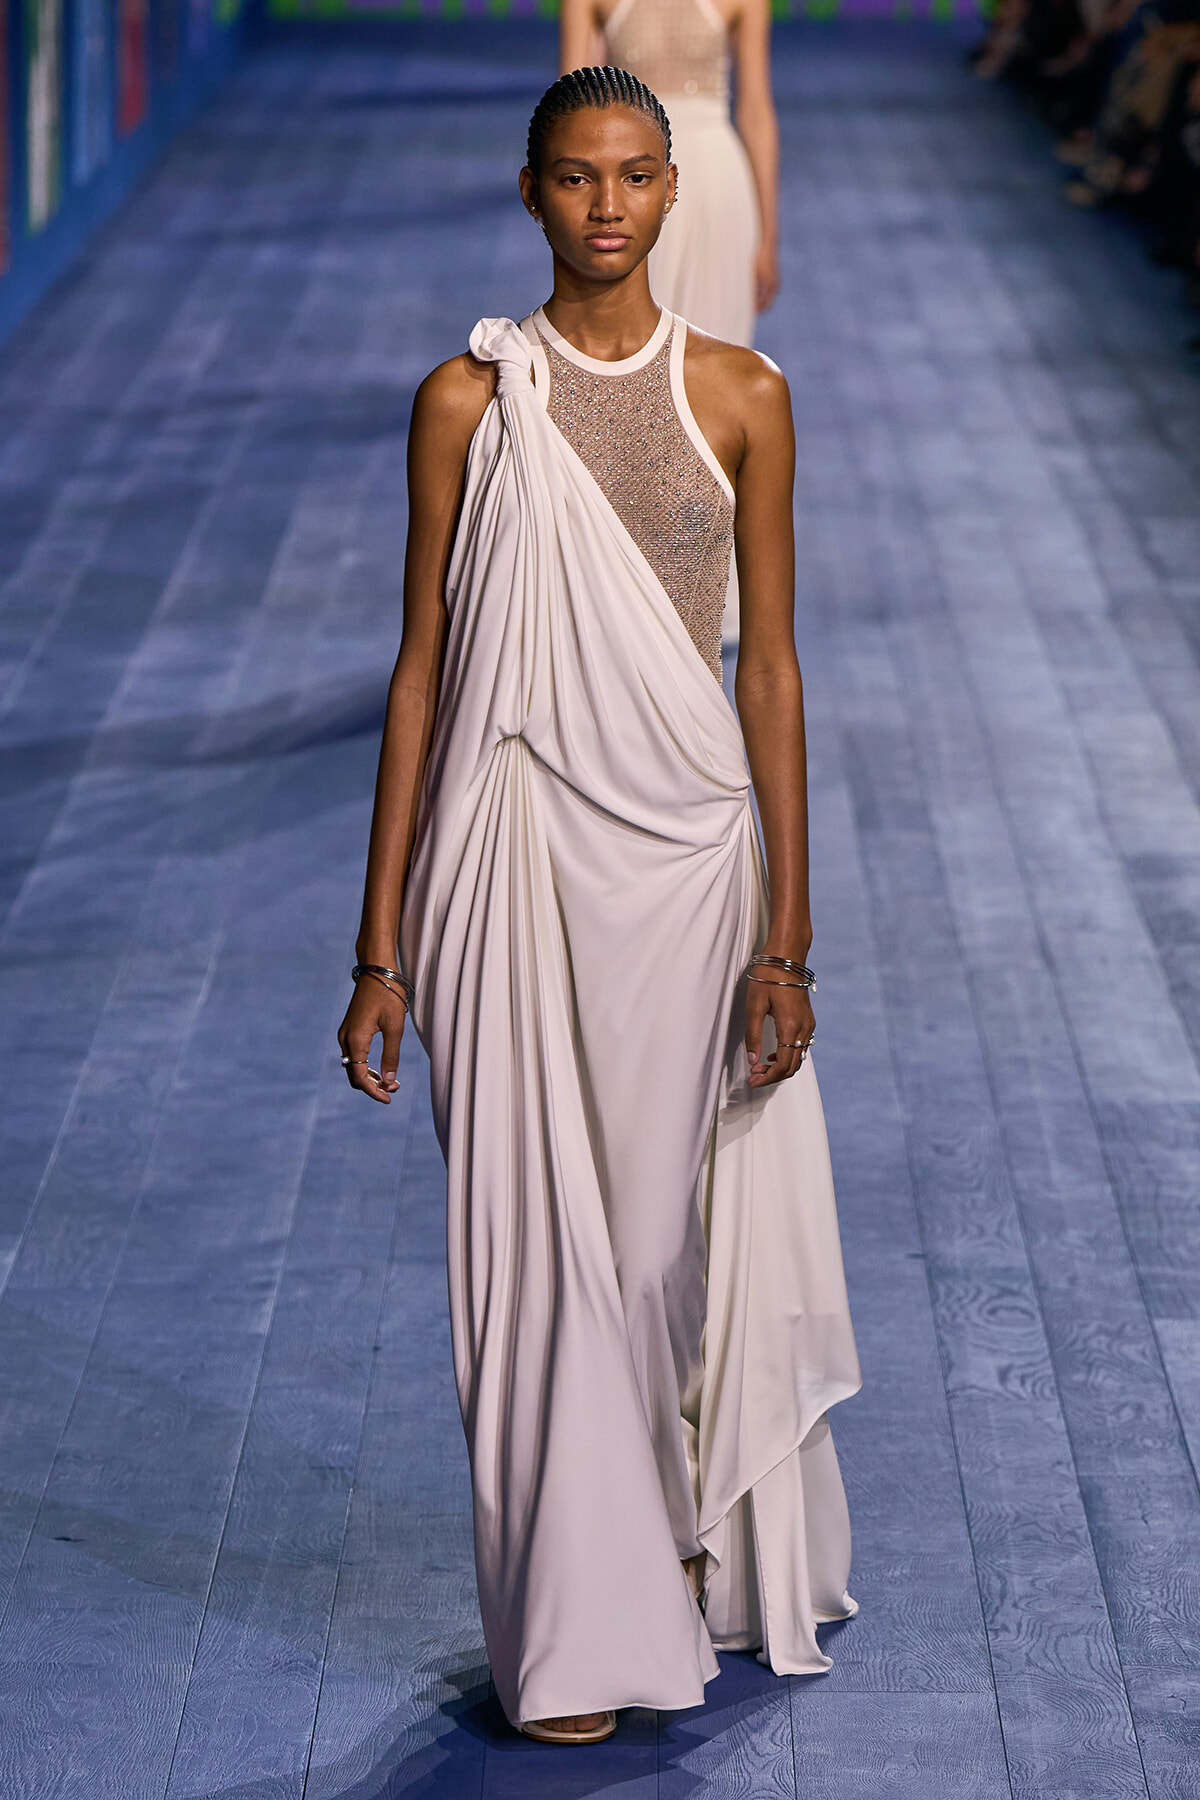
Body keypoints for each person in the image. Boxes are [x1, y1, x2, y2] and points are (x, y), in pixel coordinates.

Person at [337, 66, 860, 1747]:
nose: (610, 205)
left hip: (687, 866)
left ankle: (671, 1537)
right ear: (531, 193)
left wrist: (791, 939)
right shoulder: (466, 402)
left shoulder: (746, 396)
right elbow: (420, 673)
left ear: (673, 187)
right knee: (529, 1258)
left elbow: (771, 671)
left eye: (636, 174)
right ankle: (574, 1635)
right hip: (501, 856)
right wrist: (378, 947)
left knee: (644, 1256)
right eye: (576, 177)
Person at [560, 0, 779, 349]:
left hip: (716, 185)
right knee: (629, 345)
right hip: (631, 184)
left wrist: (767, 237)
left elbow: (756, 111)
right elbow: (570, 116)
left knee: (717, 350)